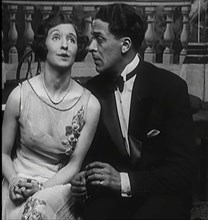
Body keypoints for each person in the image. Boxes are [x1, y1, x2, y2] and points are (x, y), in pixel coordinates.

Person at [70, 3, 197, 219]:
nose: (91, 47)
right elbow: (92, 153)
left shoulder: (170, 88)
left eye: (99, 39)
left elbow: (183, 171)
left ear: (125, 44)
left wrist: (124, 181)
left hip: (162, 192)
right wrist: (84, 175)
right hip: (111, 195)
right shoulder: (93, 90)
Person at [2, 10, 100, 220]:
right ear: (43, 45)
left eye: (71, 40)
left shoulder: (90, 105)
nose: (65, 45)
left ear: (77, 48)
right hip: (16, 180)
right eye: (56, 37)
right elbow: (3, 154)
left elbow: (74, 165)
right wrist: (14, 182)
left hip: (57, 187)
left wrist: (41, 187)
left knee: (36, 210)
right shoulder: (19, 96)